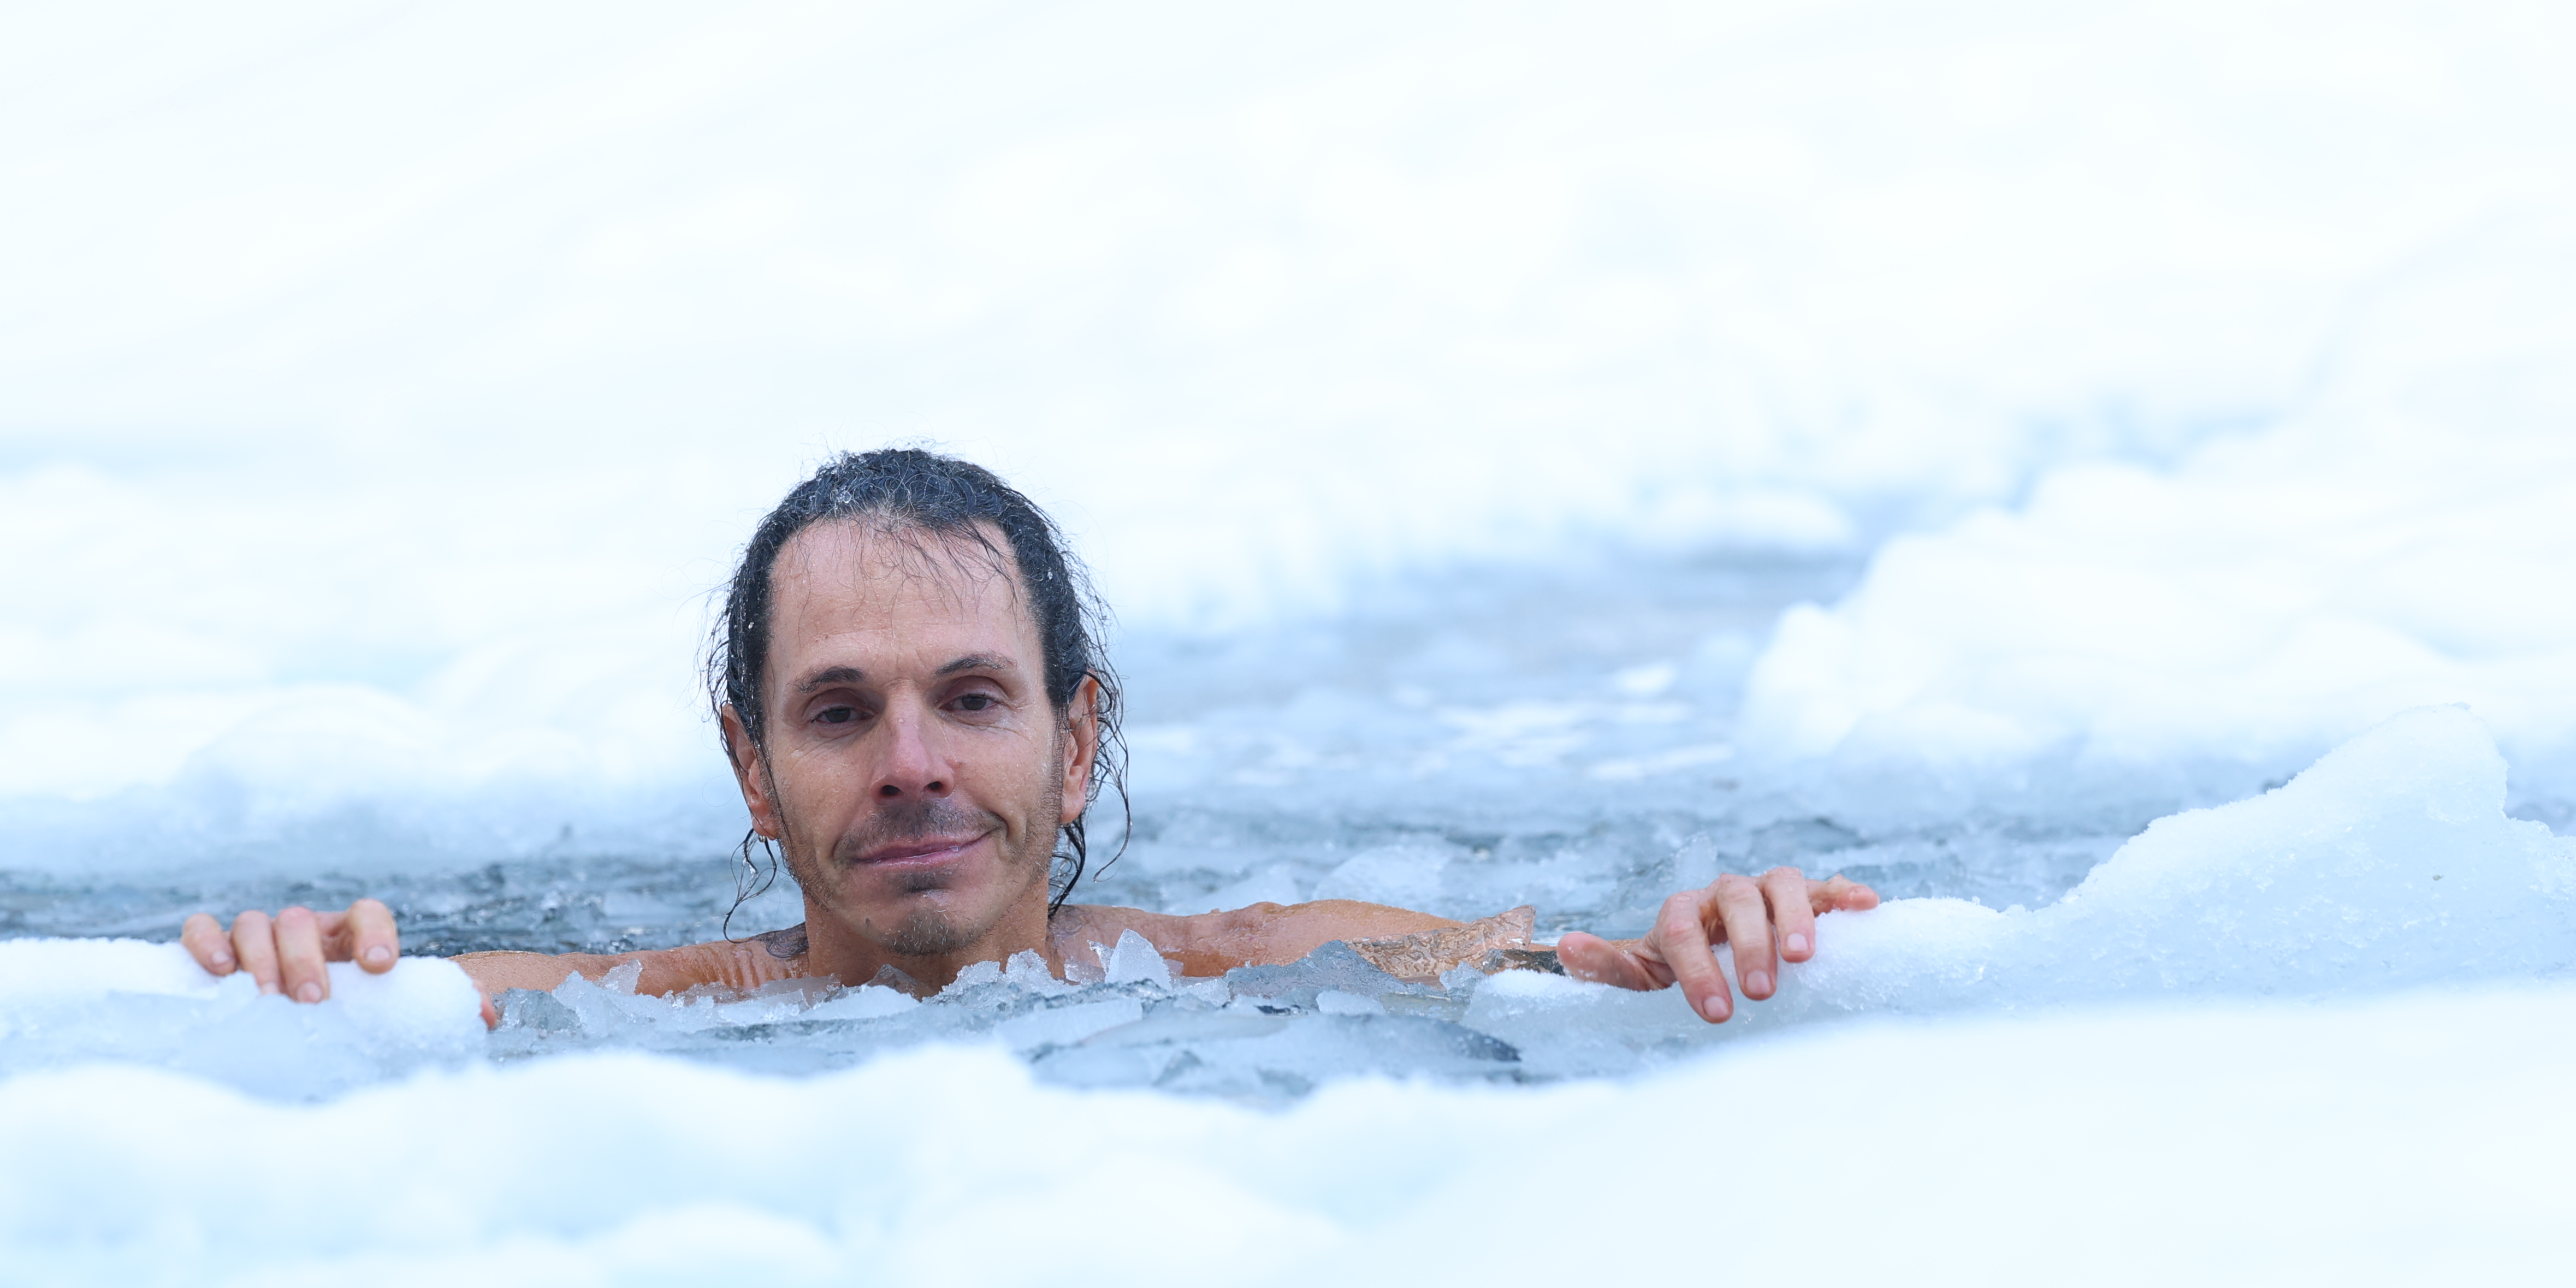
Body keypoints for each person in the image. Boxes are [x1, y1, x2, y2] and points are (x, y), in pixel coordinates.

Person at [183, 449, 1875, 1025]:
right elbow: (407, 1002)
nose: (912, 762)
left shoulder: (1269, 968)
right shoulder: (643, 1015)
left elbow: (1592, 976)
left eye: (973, 697)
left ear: (1078, 745)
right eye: (840, 711)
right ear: (753, 771)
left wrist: (1705, 942)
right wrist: (303, 978)